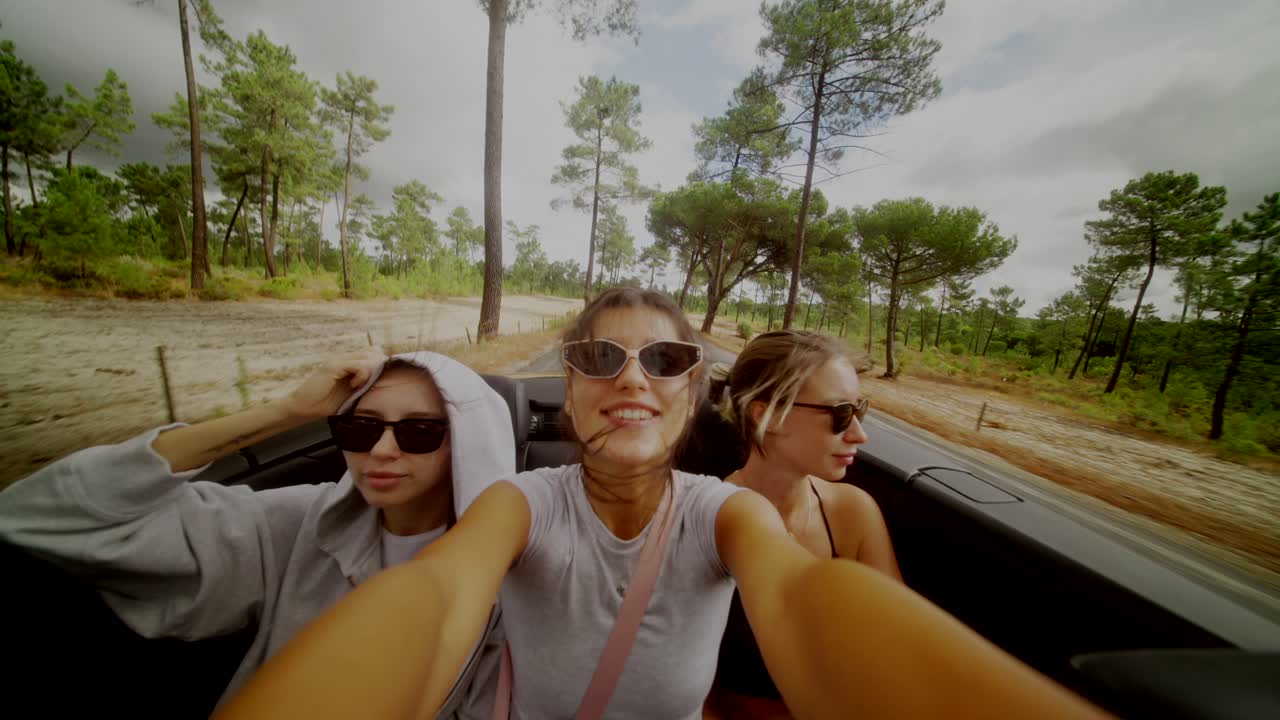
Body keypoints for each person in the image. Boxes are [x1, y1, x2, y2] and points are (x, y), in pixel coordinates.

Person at [212, 288, 1109, 720]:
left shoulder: (728, 514)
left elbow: (806, 600)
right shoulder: (520, 504)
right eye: (601, 359)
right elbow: (436, 596)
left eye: (665, 361)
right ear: (572, 387)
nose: (633, 379)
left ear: (695, 389)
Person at [0, 349, 513, 718]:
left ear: (466, 448)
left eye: (419, 432)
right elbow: (49, 516)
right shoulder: (296, 524)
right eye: (359, 427)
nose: (380, 450)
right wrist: (285, 413)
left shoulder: (511, 579)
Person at [707, 329, 902, 719]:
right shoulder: (704, 519)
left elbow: (896, 645)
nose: (859, 434)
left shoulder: (854, 513)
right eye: (840, 414)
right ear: (767, 415)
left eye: (858, 410)